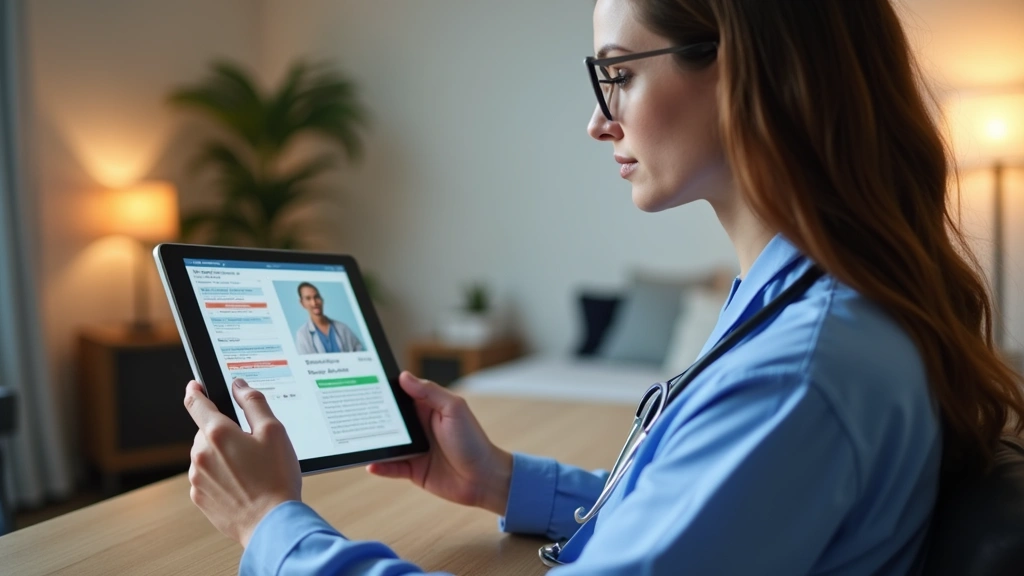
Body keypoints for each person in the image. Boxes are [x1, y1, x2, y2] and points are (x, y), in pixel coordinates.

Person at [182, 0, 1024, 574]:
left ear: (745, 66)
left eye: (618, 73)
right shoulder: (813, 308)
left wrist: (272, 525)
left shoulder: (803, 372)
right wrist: (505, 483)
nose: (598, 119)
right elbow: (709, 515)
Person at [293, 282, 365, 354]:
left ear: (322, 300)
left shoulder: (342, 328)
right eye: (308, 298)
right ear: (302, 303)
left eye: (316, 297)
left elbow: (360, 352)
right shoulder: (302, 335)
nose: (314, 303)